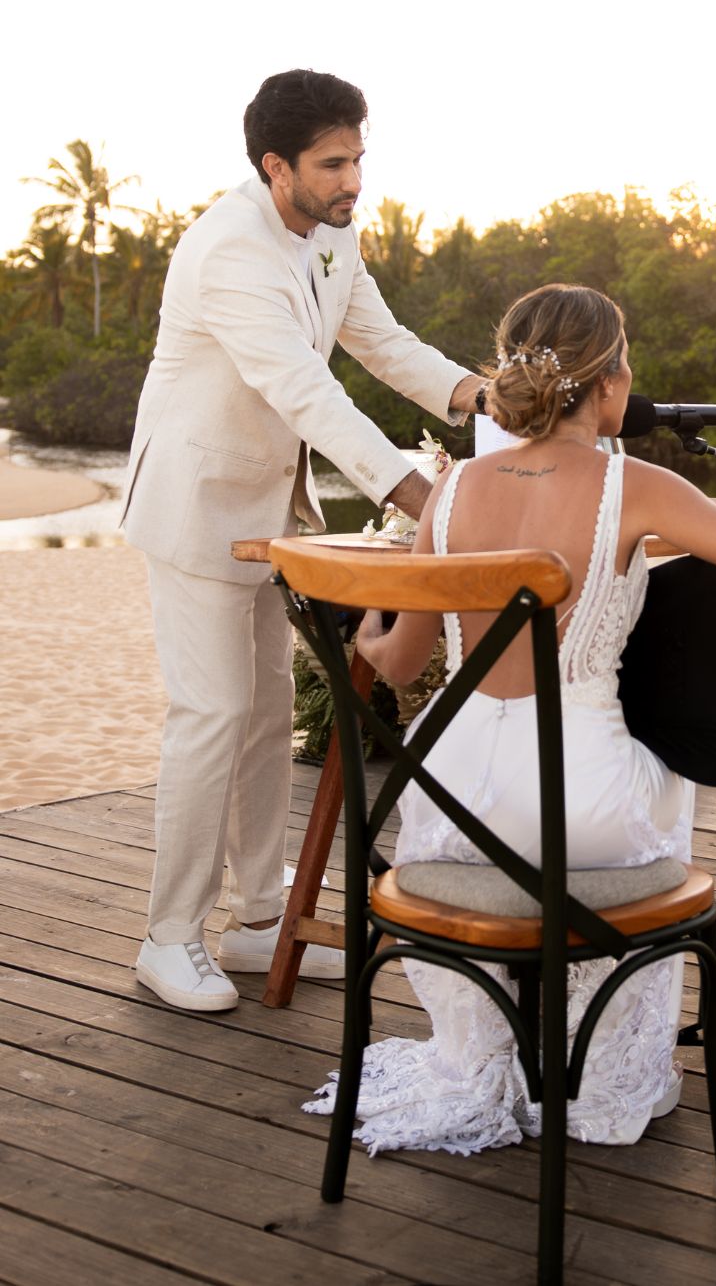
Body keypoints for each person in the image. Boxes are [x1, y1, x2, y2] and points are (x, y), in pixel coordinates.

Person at [308, 282, 716, 1152]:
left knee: (575, 781)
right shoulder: (642, 487)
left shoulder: (452, 491)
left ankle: (488, 1055)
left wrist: (369, 620)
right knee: (663, 782)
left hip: (450, 809)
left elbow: (395, 665)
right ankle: (597, 1066)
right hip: (583, 804)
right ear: (612, 385)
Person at [122, 69, 482, 1014]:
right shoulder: (226, 251)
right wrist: (421, 493)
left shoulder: (333, 233)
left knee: (267, 714)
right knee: (209, 714)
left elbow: (384, 343)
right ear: (275, 166)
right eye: (333, 163)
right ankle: (167, 939)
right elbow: (304, 391)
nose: (353, 179)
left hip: (268, 512)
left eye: (358, 157)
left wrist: (479, 396)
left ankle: (253, 923)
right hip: (195, 501)